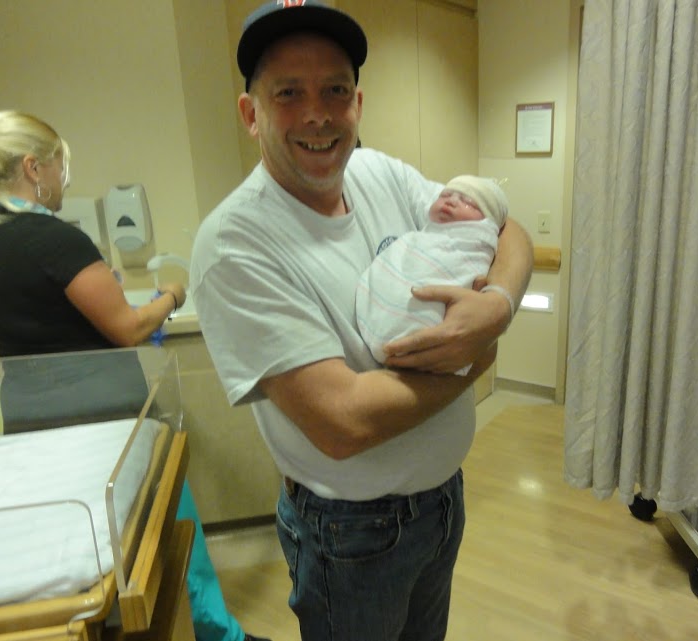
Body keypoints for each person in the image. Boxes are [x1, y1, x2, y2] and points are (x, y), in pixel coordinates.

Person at [190, 2, 533, 640]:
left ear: (358, 104)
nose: (317, 113)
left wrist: (498, 305)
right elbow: (343, 423)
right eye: (288, 93)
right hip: (351, 537)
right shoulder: (234, 245)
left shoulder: (377, 173)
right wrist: (476, 358)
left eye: (335, 90)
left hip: (443, 500)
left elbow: (505, 225)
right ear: (250, 114)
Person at [0, 110, 269, 641]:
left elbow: (36, 319)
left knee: (78, 544)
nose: (64, 181)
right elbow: (128, 328)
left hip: (27, 418)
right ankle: (217, 633)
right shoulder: (54, 240)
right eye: (60, 166)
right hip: (106, 421)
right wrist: (172, 294)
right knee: (168, 527)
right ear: (34, 168)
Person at [356, 174, 511, 375]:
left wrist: (497, 304)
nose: (451, 201)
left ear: (487, 222)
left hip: (437, 353)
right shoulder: (418, 238)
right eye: (445, 195)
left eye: (468, 202)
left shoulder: (474, 247)